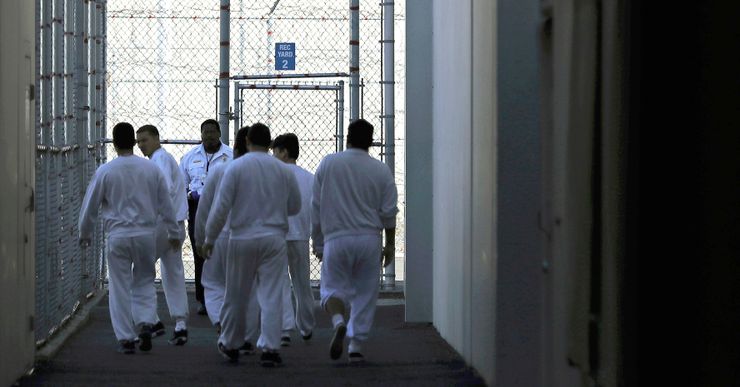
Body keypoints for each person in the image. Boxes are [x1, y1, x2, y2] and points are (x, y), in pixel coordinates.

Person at [202, 123, 301, 367]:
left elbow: (221, 208)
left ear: (247, 142)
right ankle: (270, 347)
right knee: (270, 293)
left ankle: (231, 342)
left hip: (241, 237)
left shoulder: (235, 168)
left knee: (236, 293)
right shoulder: (284, 170)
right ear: (269, 144)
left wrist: (209, 238)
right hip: (274, 237)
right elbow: (295, 206)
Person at [78, 122, 181, 354]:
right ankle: (145, 321)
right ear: (134, 142)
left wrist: (85, 233)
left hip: (118, 234)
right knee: (144, 280)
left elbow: (91, 206)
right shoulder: (150, 169)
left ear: (114, 144)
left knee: (119, 285)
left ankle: (126, 337)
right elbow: (166, 204)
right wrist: (174, 233)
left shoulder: (106, 171)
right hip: (146, 233)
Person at [311, 119, 398, 363]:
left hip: (336, 238)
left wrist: (318, 241)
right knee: (365, 293)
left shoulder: (329, 163)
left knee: (331, 289)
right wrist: (389, 243)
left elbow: (315, 206)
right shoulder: (380, 169)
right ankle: (356, 344)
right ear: (371, 141)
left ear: (347, 136)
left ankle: (338, 321)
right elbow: (389, 210)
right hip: (369, 238)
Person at [194, 125, 256, 354]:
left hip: (220, 237)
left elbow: (205, 208)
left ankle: (222, 325)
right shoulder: (264, 171)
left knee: (213, 284)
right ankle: (247, 335)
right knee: (248, 288)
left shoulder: (221, 170)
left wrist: (201, 239)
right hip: (250, 237)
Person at [136, 125, 189, 345]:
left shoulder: (160, 160)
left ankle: (152, 321)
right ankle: (180, 324)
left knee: (140, 271)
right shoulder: (161, 159)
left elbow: (163, 190)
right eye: (138, 141)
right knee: (172, 272)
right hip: (174, 223)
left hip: (163, 224)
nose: (140, 145)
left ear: (157, 139)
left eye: (144, 140)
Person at [180, 119, 233, 316]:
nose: (209, 135)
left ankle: (226, 297)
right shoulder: (190, 157)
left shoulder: (230, 155)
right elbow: (181, 184)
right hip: (197, 208)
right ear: (201, 134)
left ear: (219, 134)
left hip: (222, 209)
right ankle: (202, 299)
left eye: (213, 132)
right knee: (199, 252)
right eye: (206, 132)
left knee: (224, 252)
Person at [271, 133, 317, 343]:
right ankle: (306, 326)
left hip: (278, 235)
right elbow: (315, 209)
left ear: (284, 151)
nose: (273, 155)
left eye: (275, 151)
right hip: (301, 235)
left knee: (280, 282)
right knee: (302, 282)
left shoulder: (274, 175)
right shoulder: (309, 178)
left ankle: (284, 329)